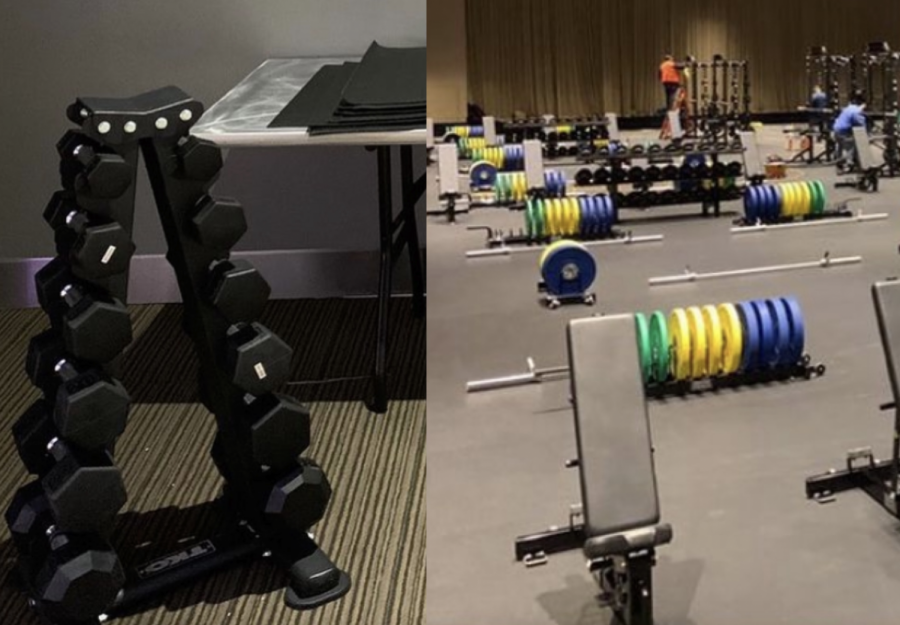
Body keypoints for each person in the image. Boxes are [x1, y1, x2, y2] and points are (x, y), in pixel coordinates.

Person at [833, 92, 867, 170]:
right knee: (851, 146)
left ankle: (839, 162)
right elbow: (860, 123)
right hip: (844, 131)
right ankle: (849, 163)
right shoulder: (856, 110)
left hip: (836, 129)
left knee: (840, 146)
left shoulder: (847, 108)